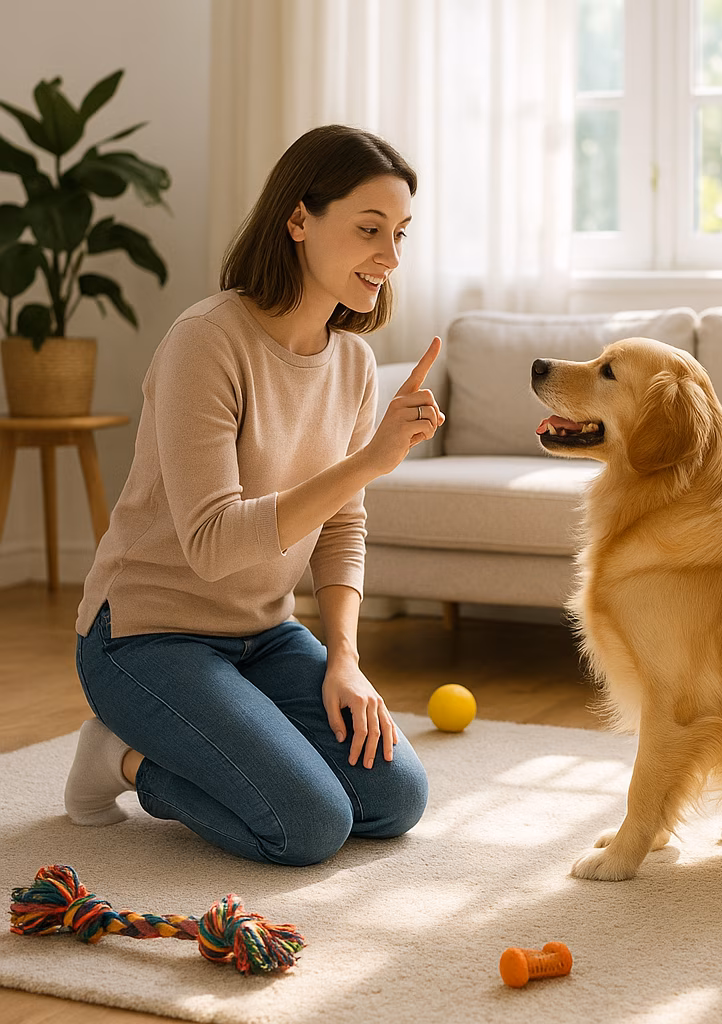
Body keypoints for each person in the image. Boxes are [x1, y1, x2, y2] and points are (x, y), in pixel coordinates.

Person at [64, 124, 442, 866]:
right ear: (299, 219)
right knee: (307, 825)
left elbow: (342, 526)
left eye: (400, 234)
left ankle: (225, 725)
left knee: (395, 799)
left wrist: (344, 657)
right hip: (145, 634)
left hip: (263, 634)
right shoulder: (207, 340)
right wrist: (368, 459)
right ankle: (120, 759)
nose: (390, 258)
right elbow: (212, 544)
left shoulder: (355, 363)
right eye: (370, 229)